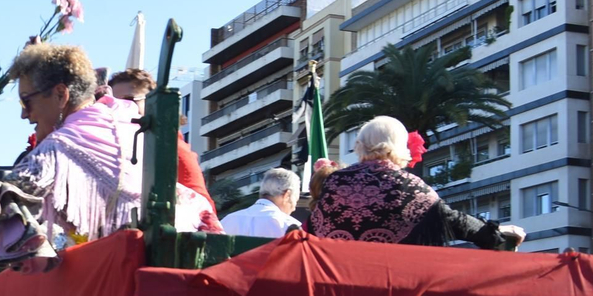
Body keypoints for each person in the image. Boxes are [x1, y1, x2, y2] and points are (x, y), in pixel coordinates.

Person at [0, 44, 212, 269]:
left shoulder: (63, 145)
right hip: (192, 246)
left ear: (61, 94)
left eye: (27, 102)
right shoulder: (117, 111)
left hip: (157, 262)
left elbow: (7, 198)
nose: (24, 115)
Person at [305, 116, 526, 249]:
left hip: (333, 291)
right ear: (402, 148)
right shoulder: (414, 188)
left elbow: (312, 231)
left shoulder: (333, 183)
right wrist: (498, 235)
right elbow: (456, 222)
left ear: (359, 146)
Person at [108, 67, 222, 232]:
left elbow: (200, 200)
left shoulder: (170, 143)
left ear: (153, 103)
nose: (122, 108)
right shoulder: (113, 141)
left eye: (130, 100)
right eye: (114, 103)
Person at [222, 168, 302, 238]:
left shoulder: (227, 221)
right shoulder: (290, 226)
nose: (294, 208)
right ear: (287, 195)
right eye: (295, 200)